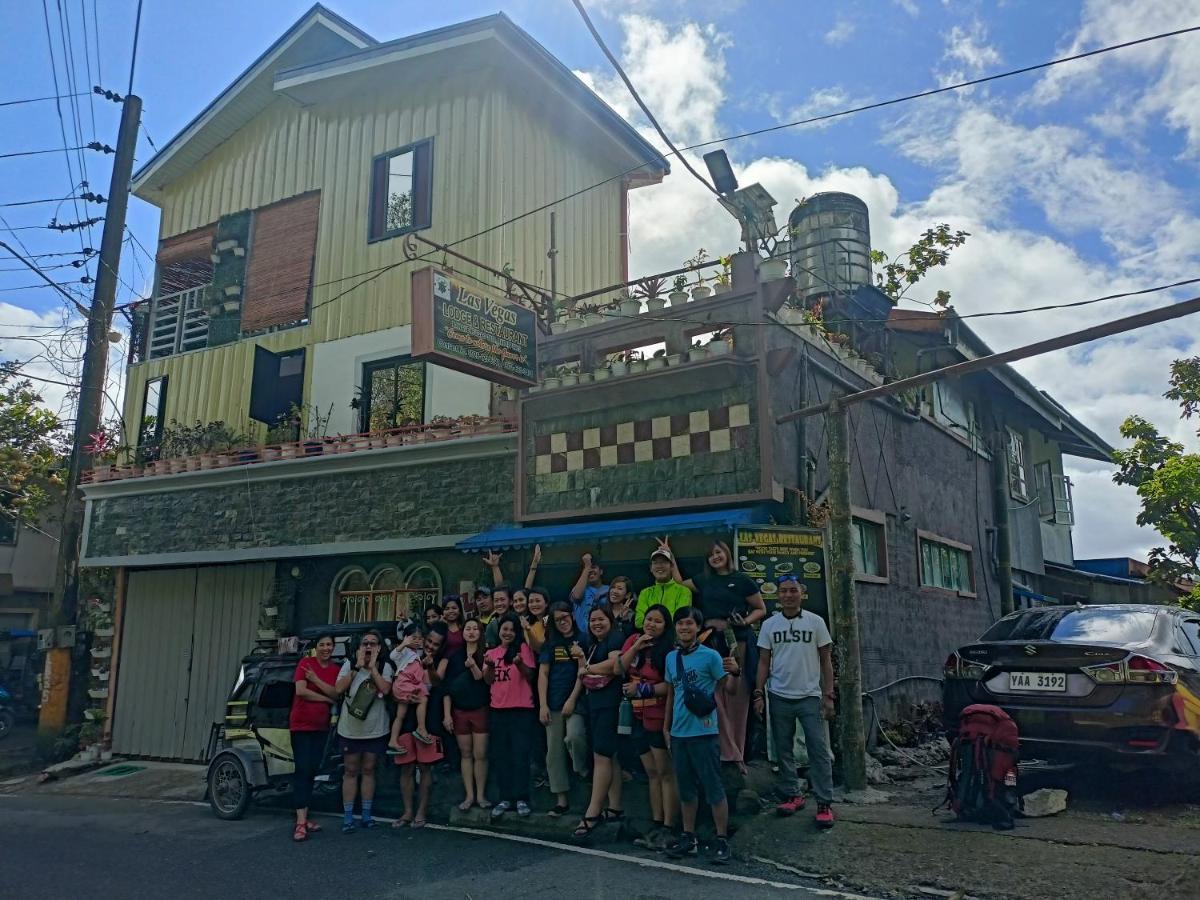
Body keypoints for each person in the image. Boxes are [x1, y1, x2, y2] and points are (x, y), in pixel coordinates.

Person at [662, 537, 766, 771]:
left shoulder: (741, 580)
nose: (715, 557)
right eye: (711, 555)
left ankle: (737, 754)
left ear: (727, 553)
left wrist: (744, 622)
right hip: (710, 641)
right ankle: (723, 750)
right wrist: (669, 554)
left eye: (718, 552)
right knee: (715, 696)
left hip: (736, 640)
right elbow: (678, 582)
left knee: (737, 698)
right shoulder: (705, 580)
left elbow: (761, 608)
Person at [754, 576, 836, 828]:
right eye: (783, 591)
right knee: (783, 748)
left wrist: (829, 694)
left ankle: (824, 802)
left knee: (818, 750)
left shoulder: (816, 622)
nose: (788, 595)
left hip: (809, 695)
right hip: (779, 695)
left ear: (802, 593)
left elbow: (826, 661)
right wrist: (759, 693)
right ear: (777, 595)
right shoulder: (769, 624)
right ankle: (793, 794)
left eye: (793, 591)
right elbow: (764, 662)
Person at [664, 607, 739, 864]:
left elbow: (728, 689)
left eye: (689, 624)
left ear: (698, 628)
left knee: (713, 787)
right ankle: (689, 836)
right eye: (680, 624)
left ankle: (721, 839)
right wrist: (667, 726)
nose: (684, 628)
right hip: (679, 733)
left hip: (705, 731)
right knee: (685, 788)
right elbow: (672, 693)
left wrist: (735, 673)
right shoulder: (671, 658)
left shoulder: (711, 657)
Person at [619, 605, 677, 851]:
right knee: (652, 772)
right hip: (635, 715)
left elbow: (671, 684)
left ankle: (670, 826)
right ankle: (655, 824)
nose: (651, 624)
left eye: (658, 621)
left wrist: (643, 689)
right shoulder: (634, 640)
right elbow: (618, 668)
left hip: (657, 714)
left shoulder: (668, 649)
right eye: (649, 619)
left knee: (665, 773)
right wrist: (635, 647)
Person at [573, 605, 627, 839]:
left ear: (610, 620)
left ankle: (592, 812)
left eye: (601, 619)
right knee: (609, 755)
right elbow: (580, 673)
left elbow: (615, 666)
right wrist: (584, 664)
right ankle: (614, 807)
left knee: (601, 756)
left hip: (610, 702)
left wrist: (587, 667)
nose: (596, 624)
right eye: (592, 620)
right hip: (596, 702)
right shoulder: (591, 643)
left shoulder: (615, 637)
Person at [334, 629, 394, 833]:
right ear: (358, 647)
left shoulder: (385, 666)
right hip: (350, 729)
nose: (368, 646)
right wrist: (357, 667)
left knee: (369, 769)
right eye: (365, 643)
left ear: (379, 647)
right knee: (350, 771)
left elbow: (386, 689)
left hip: (375, 728)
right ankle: (348, 816)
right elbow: (338, 688)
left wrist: (373, 668)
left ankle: (367, 815)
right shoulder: (349, 665)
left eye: (373, 643)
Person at [483, 613, 537, 818]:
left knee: (520, 755)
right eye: (505, 629)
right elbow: (488, 681)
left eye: (512, 630)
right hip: (498, 710)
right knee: (501, 755)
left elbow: (530, 674)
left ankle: (522, 798)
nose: (508, 633)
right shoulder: (492, 652)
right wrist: (488, 665)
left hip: (521, 710)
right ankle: (505, 797)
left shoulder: (524, 649)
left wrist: (519, 663)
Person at [392, 626, 446, 829]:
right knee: (406, 766)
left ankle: (422, 811)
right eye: (429, 641)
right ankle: (407, 811)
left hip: (429, 716)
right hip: (406, 713)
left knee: (425, 766)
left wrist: (430, 667)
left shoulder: (441, 661)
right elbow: (394, 681)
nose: (431, 646)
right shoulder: (408, 654)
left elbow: (438, 684)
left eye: (436, 644)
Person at [538, 601, 588, 817]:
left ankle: (582, 769)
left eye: (565, 617)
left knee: (575, 737)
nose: (563, 622)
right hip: (553, 701)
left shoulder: (584, 639)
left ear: (572, 616)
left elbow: (583, 672)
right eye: (558, 619)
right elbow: (543, 674)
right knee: (554, 753)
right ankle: (561, 800)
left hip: (577, 702)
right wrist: (542, 704)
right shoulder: (549, 644)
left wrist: (572, 699)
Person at [288, 632, 339, 842]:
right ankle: (300, 822)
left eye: (329, 645)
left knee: (312, 770)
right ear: (316, 647)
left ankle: (305, 815)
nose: (326, 648)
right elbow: (301, 691)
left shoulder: (335, 669)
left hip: (321, 727)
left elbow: (337, 693)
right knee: (302, 769)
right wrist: (326, 698)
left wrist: (316, 681)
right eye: (322, 644)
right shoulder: (305, 663)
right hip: (300, 725)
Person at [442, 618, 491, 811]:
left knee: (481, 754)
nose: (471, 632)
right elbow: (447, 689)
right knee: (465, 754)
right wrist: (447, 715)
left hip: (480, 708)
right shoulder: (454, 657)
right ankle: (469, 795)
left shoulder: (486, 654)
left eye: (475, 629)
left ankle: (481, 795)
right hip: (459, 710)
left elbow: (484, 680)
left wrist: (473, 665)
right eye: (467, 628)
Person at [387, 624, 435, 754]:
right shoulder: (404, 650)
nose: (418, 641)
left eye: (420, 638)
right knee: (423, 699)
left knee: (400, 716)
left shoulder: (415, 653)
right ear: (406, 638)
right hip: (404, 684)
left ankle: (393, 740)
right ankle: (421, 728)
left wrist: (424, 663)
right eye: (414, 638)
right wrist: (403, 644)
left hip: (407, 685)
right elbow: (392, 656)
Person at [634, 547, 692, 627]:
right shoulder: (645, 592)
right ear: (651, 568)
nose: (659, 566)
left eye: (664, 562)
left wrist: (651, 622)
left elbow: (680, 619)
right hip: (650, 638)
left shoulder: (684, 591)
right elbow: (639, 622)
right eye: (655, 563)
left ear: (671, 566)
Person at [569, 551, 609, 633]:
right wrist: (587, 567)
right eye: (587, 569)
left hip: (605, 635)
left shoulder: (610, 589)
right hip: (583, 637)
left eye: (593, 567)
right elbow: (576, 596)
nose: (590, 570)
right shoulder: (578, 589)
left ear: (601, 571)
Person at [608, 575, 637, 640]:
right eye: (613, 587)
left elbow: (629, 637)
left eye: (619, 588)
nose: (614, 591)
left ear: (627, 595)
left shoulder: (631, 615)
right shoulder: (603, 610)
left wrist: (624, 619)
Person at [522, 586, 549, 652]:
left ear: (546, 604)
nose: (534, 604)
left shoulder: (550, 619)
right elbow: (535, 648)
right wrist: (527, 629)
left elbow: (544, 647)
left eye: (538, 601)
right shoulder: (528, 625)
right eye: (531, 602)